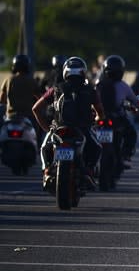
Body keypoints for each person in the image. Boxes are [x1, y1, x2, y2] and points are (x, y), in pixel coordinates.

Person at [32, 56, 106, 191]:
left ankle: (47, 170)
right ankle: (89, 171)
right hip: (82, 129)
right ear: (83, 72)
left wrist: (47, 128)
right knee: (97, 148)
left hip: (58, 128)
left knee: (44, 147)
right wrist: (99, 119)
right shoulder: (90, 90)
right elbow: (100, 110)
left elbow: (35, 108)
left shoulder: (55, 89)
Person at [97, 55, 139, 169]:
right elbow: (135, 101)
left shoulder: (98, 84)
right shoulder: (123, 86)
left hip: (99, 118)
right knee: (131, 134)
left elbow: (90, 101)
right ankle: (126, 155)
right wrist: (136, 106)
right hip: (116, 118)